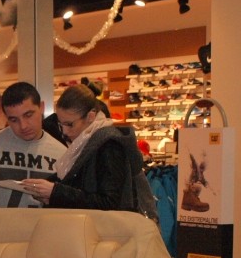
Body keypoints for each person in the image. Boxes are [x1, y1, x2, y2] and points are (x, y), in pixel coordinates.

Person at [22, 84, 154, 214]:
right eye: (61, 124)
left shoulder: (109, 145)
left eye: (69, 124)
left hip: (106, 227)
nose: (64, 131)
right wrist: (50, 193)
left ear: (90, 116)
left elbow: (110, 203)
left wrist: (55, 192)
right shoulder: (84, 141)